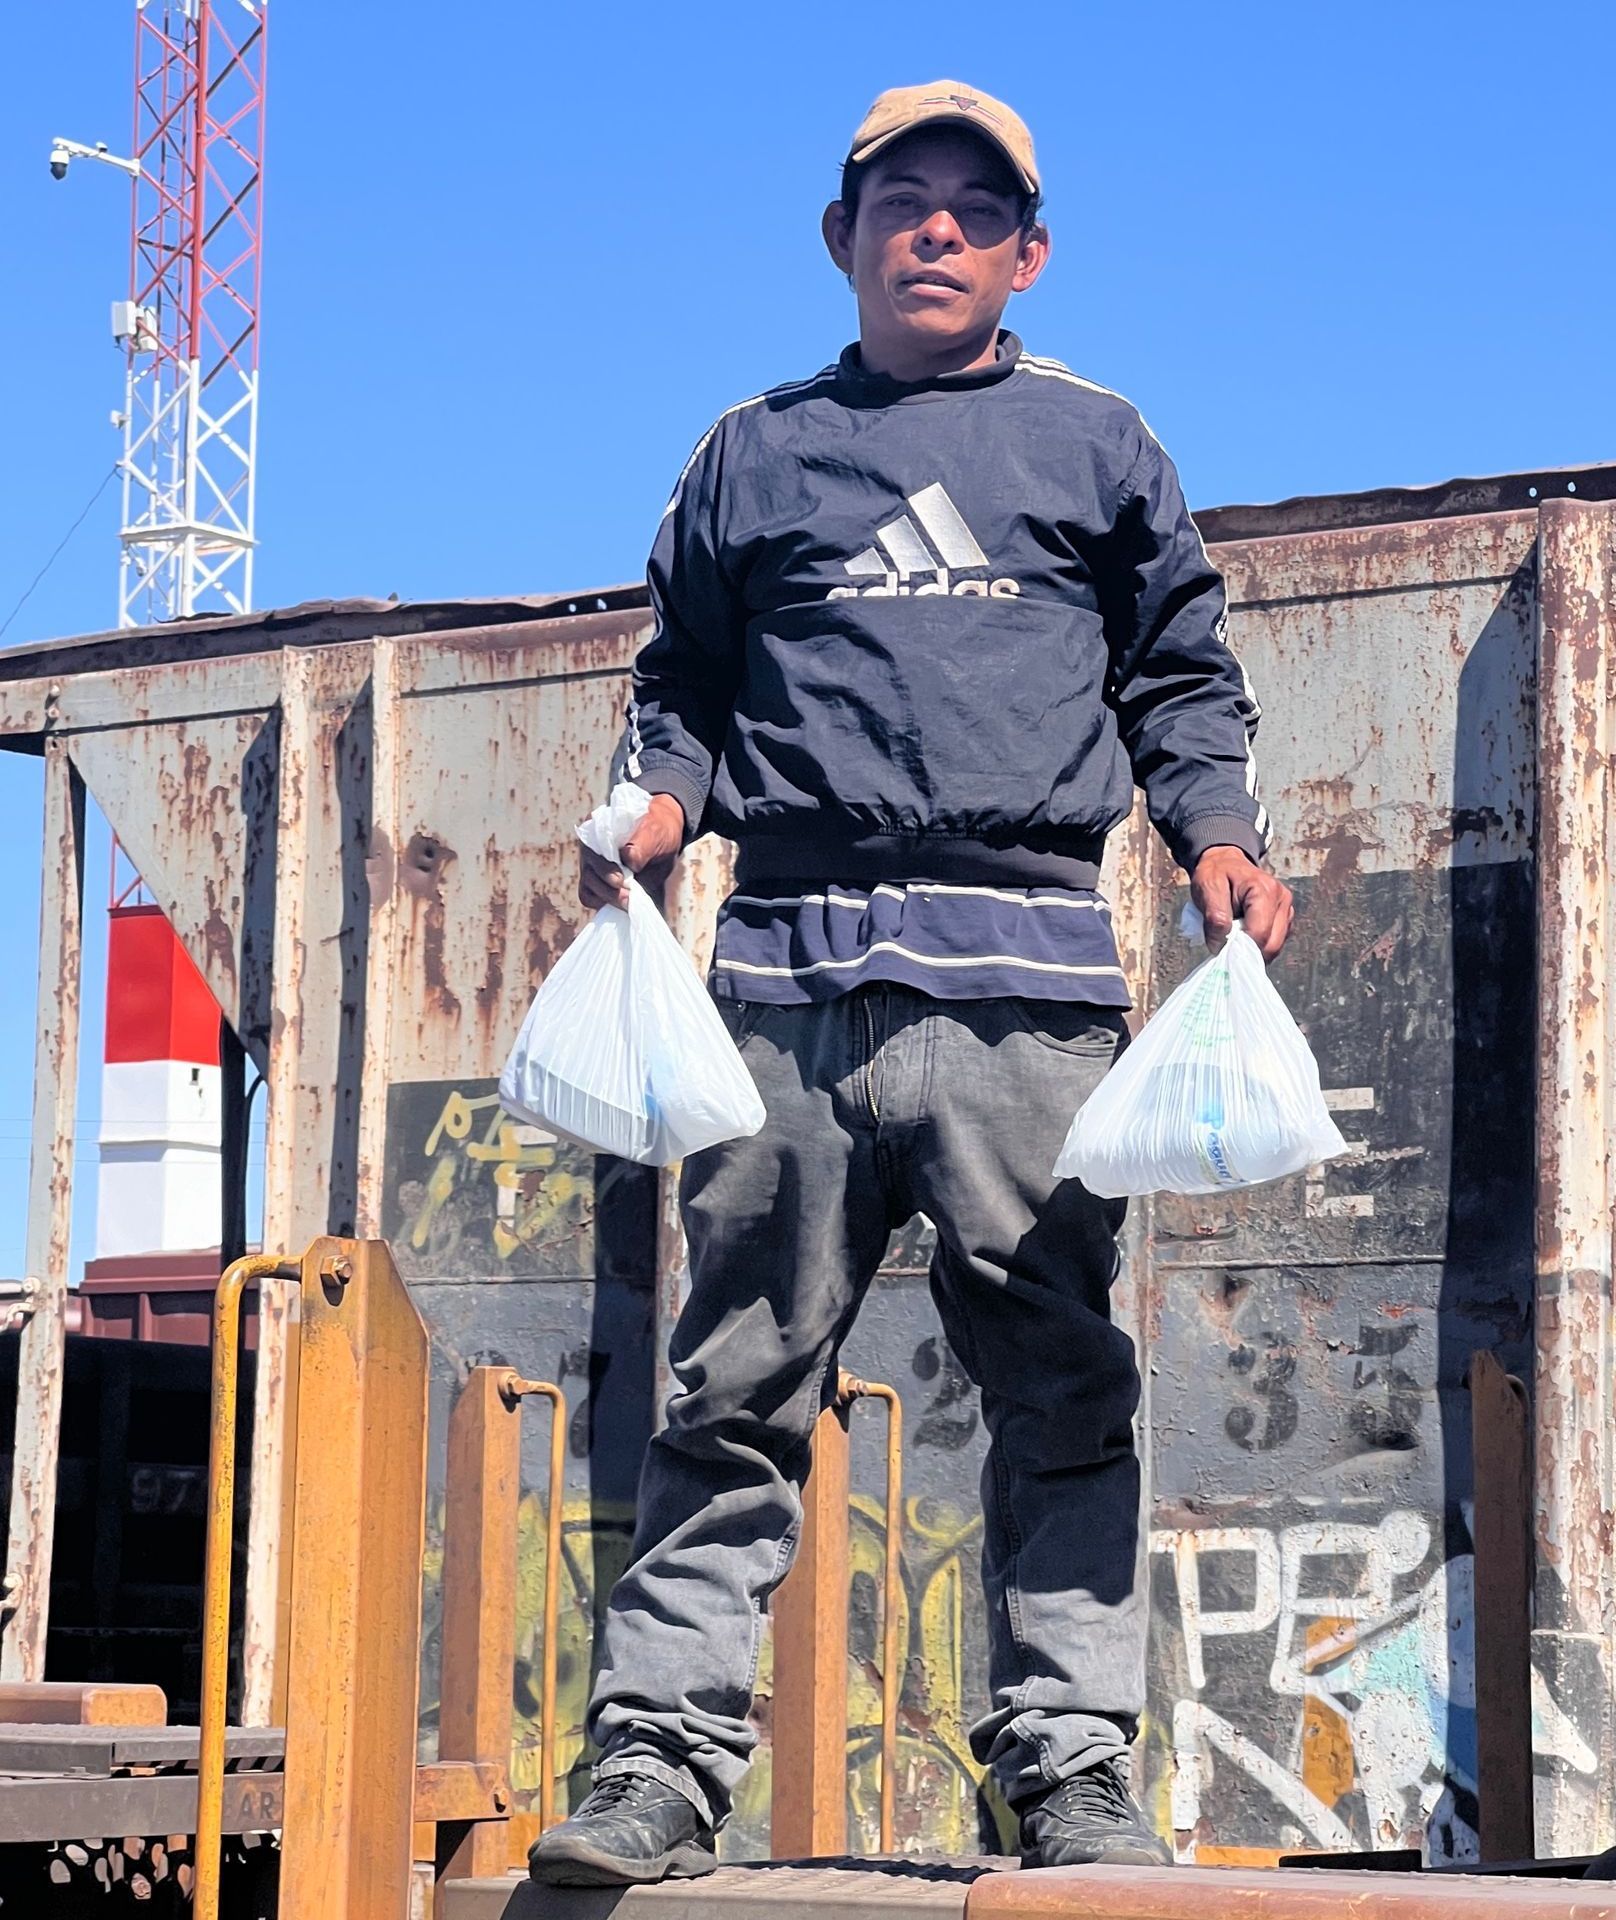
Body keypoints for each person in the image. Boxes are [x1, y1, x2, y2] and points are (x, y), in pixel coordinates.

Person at [530, 79, 1292, 1889]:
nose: (934, 230)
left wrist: (1221, 836)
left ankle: (1067, 1766)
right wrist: (650, 805)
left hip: (1025, 989)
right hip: (780, 981)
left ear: (1029, 253)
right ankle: (656, 1762)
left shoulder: (1098, 446)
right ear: (842, 240)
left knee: (1060, 1384)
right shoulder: (756, 452)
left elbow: (1181, 675)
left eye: (974, 207)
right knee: (732, 1392)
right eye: (900, 202)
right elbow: (686, 683)